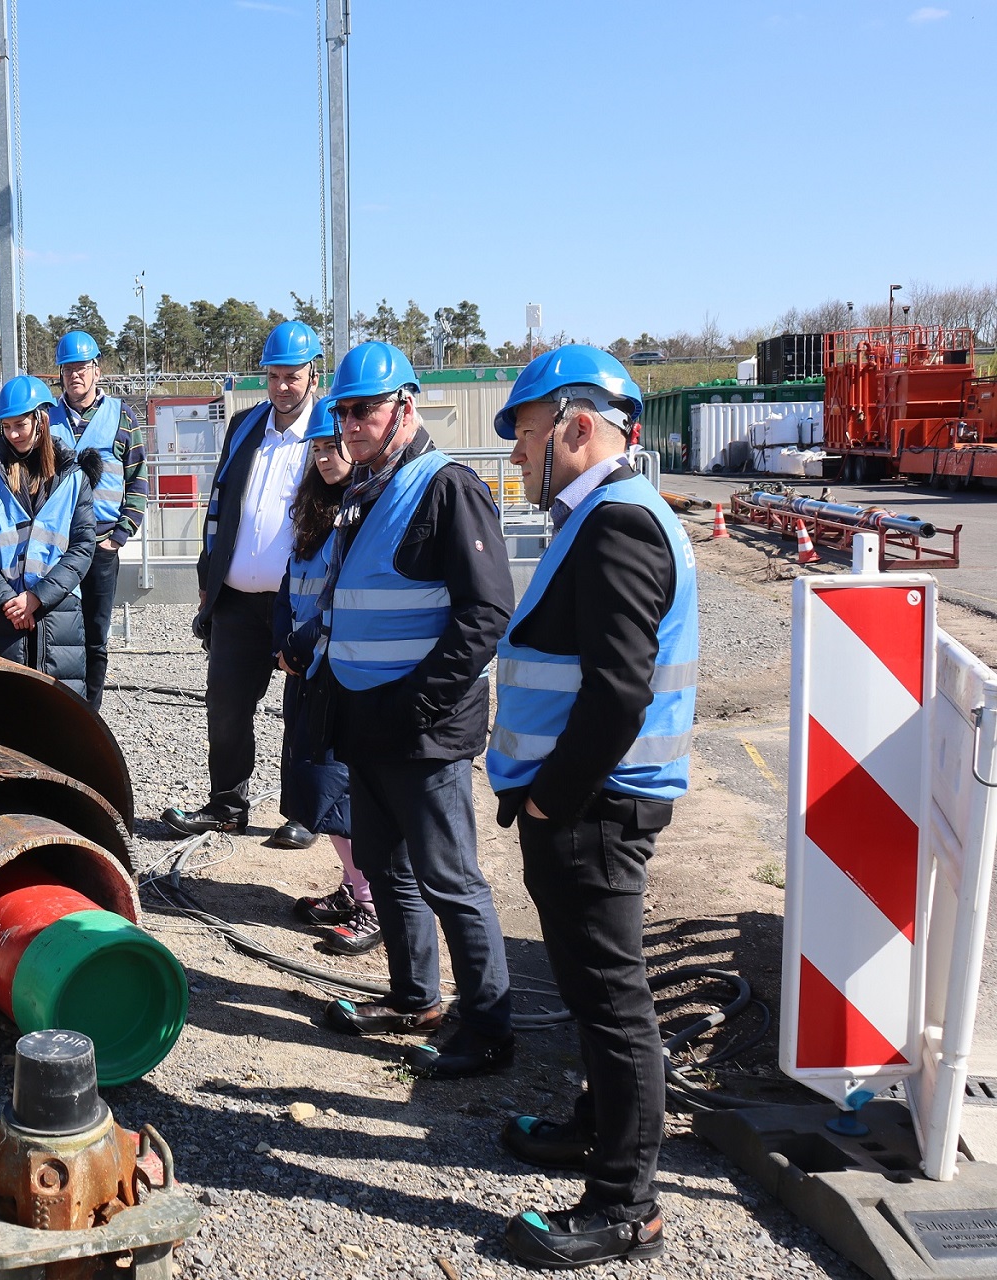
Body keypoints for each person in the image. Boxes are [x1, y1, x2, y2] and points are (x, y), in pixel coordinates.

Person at [487, 346, 695, 1270]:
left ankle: (626, 1206)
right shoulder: (599, 517)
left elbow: (619, 693)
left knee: (614, 1005)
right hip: (580, 807)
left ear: (576, 426)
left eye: (528, 438)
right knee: (585, 989)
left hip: (593, 812)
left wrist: (549, 806)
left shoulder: (617, 525)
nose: (520, 460)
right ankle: (590, 1124)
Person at [311, 341, 516, 1082]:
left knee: (449, 878)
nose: (350, 424)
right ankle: (414, 999)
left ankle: (489, 1028)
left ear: (405, 405)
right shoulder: (366, 488)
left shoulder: (447, 488)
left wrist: (423, 704)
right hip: (367, 723)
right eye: (341, 411)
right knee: (385, 868)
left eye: (362, 409)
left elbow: (487, 611)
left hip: (422, 730)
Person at [162, 320, 323, 848]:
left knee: (301, 710)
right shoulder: (245, 426)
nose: (281, 387)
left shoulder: (329, 430)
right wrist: (208, 579)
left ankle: (302, 813)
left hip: (297, 604)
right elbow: (219, 507)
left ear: (312, 374)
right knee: (226, 705)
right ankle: (227, 805)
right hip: (235, 600)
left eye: (292, 377)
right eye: (273, 376)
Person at [271, 400, 380, 954]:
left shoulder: (368, 511)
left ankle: (371, 905)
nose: (325, 456)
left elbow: (342, 599)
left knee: (343, 791)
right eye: (315, 448)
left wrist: (304, 643)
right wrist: (281, 642)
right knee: (320, 790)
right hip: (306, 669)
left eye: (331, 445)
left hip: (337, 669)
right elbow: (293, 586)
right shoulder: (313, 512)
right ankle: (352, 887)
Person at [0, 374, 99, 697]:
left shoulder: (73, 479)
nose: (12, 434)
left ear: (41, 419)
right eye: (6, 426)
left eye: (20, 425)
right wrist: (10, 600)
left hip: (57, 619)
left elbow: (82, 547)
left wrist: (38, 597)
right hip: (0, 619)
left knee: (57, 720)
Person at [48, 329, 147, 711]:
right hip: (55, 547)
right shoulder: (47, 418)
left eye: (83, 367)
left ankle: (91, 713)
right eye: (69, 368)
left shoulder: (122, 416)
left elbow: (138, 479)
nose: (76, 375)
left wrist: (119, 536)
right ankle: (60, 709)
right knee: (58, 631)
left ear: (97, 370)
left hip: (102, 545)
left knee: (95, 635)